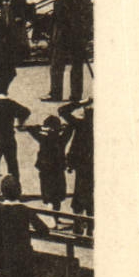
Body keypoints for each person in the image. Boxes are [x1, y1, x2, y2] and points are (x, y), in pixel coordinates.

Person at [0, 79, 31, 193]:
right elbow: (25, 111)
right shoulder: (11, 103)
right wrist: (20, 123)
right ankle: (16, 187)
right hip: (9, 137)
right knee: (12, 163)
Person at [47, 0, 90, 104]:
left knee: (57, 65)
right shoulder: (83, 0)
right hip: (77, 37)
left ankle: (56, 93)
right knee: (76, 67)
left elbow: (54, 19)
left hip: (62, 38)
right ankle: (76, 95)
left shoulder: (60, 0)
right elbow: (88, 19)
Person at [19, 115, 69, 212]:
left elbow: (33, 129)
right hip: (58, 170)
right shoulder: (62, 139)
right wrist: (61, 128)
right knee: (57, 197)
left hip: (45, 169)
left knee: (48, 196)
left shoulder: (43, 138)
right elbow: (69, 129)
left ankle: (52, 218)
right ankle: (56, 216)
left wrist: (41, 128)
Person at [59, 99, 93, 232]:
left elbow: (62, 111)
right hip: (93, 164)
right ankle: (90, 227)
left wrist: (80, 102)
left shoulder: (80, 124)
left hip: (81, 164)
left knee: (79, 192)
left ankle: (78, 226)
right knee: (90, 193)